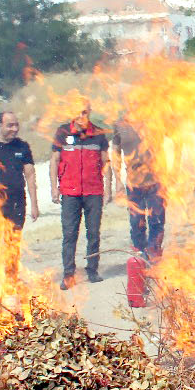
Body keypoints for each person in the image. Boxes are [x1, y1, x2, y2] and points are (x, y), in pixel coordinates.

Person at [49, 98, 112, 288]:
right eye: (77, 112)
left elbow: (106, 163)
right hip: (70, 192)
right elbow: (54, 161)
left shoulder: (99, 134)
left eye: (84, 112)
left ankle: (92, 270)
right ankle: (69, 274)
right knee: (69, 234)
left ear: (90, 112)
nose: (81, 116)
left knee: (93, 233)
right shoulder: (62, 132)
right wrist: (54, 187)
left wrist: (108, 188)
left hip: (93, 191)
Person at [0, 110, 38, 282]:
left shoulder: (22, 147)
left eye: (16, 125)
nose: (14, 129)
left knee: (13, 246)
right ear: (0, 126)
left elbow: (30, 175)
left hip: (17, 204)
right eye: (10, 125)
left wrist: (34, 204)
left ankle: (11, 283)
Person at [113, 111, 165, 261]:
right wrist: (117, 179)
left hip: (156, 181)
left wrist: (174, 168)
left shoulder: (155, 119)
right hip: (134, 183)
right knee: (136, 223)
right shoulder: (120, 124)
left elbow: (177, 138)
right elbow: (115, 152)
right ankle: (140, 256)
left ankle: (154, 255)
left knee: (157, 221)